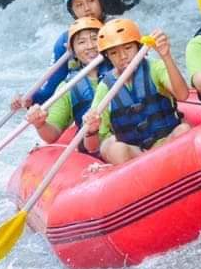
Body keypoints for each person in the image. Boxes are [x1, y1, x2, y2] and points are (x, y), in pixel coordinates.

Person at [82, 19, 191, 164]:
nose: (122, 57)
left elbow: (183, 95)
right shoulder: (106, 87)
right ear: (108, 56)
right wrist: (91, 130)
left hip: (167, 143)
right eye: (114, 53)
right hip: (136, 155)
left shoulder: (154, 68)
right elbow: (92, 147)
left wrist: (166, 56)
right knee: (113, 148)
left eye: (128, 48)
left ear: (138, 47)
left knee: (184, 129)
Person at [11, 0, 106, 110]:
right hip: (88, 105)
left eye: (91, 1)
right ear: (72, 11)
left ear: (100, 2)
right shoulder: (65, 41)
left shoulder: (119, 29)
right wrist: (28, 98)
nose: (87, 9)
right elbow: (50, 90)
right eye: (79, 5)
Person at [24, 17, 105, 145]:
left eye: (95, 39)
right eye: (82, 42)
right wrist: (40, 124)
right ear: (73, 51)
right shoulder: (68, 86)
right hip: (96, 146)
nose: (90, 46)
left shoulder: (124, 69)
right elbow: (52, 134)